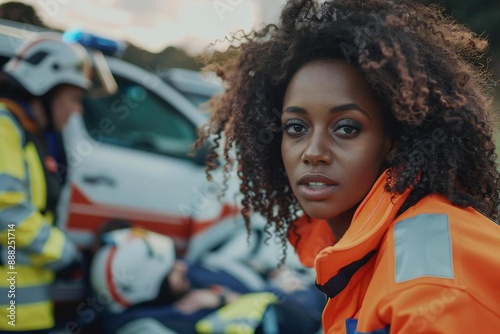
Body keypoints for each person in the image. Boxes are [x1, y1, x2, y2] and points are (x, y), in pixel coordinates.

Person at [196, 0, 500, 333]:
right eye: (296, 127)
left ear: (393, 140)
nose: (313, 152)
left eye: (346, 128)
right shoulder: (351, 250)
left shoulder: (431, 279)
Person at [0, 33, 93, 332]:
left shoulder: (28, 132)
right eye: (74, 99)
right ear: (44, 88)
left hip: (21, 314)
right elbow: (8, 216)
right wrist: (64, 255)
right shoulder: (4, 127)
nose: (77, 110)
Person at [89, 226, 324, 334]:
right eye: (172, 270)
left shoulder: (176, 288)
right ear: (151, 287)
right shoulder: (170, 322)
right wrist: (223, 298)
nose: (182, 266)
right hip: (304, 306)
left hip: (275, 278)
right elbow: (298, 321)